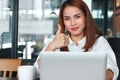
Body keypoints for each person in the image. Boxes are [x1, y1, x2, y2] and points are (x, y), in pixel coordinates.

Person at [34, 0, 119, 80]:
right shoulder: (56, 40)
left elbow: (112, 71)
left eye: (77, 17)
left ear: (86, 18)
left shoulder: (99, 41)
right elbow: (36, 71)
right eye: (67, 18)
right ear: (63, 22)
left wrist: (91, 77)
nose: (72, 23)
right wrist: (52, 46)